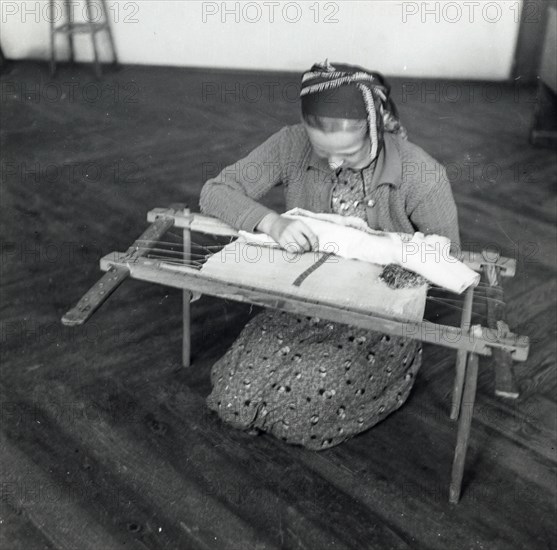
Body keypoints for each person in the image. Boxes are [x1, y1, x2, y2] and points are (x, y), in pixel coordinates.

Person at [199, 60, 460, 450]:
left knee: (298, 412)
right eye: (324, 152)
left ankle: (396, 372)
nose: (334, 163)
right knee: (234, 396)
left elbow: (448, 253)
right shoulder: (291, 143)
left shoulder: (421, 174)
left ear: (377, 126)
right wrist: (271, 223)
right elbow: (215, 192)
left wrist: (396, 272)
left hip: (377, 316)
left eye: (349, 153)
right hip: (305, 298)